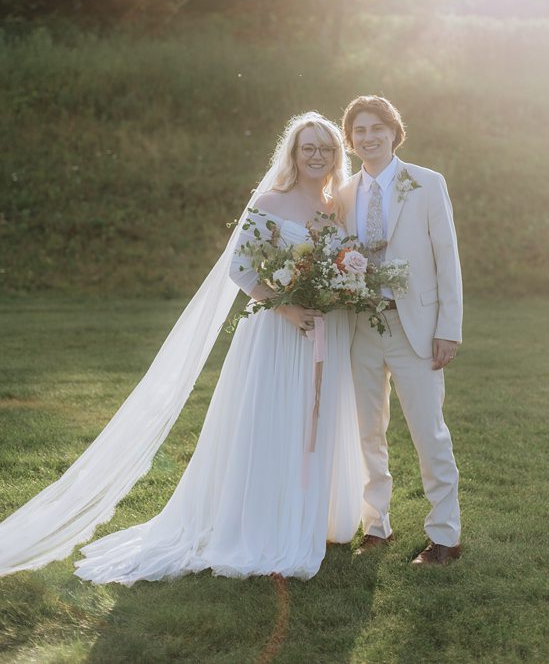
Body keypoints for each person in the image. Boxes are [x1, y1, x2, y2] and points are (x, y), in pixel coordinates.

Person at [0, 113, 362, 582]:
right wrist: (288, 309)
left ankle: (307, 518)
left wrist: (334, 293)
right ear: (293, 153)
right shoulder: (271, 201)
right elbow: (242, 270)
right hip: (276, 332)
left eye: (327, 149)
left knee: (313, 424)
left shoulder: (337, 208)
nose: (317, 156)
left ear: (338, 156)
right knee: (272, 422)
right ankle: (259, 524)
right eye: (308, 147)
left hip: (324, 333)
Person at [338, 96, 463, 566]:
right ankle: (377, 526)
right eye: (359, 131)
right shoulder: (344, 194)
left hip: (417, 327)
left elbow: (446, 259)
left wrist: (448, 328)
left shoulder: (427, 184)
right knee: (367, 431)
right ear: (349, 141)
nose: (368, 137)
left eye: (377, 128)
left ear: (394, 132)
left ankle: (445, 536)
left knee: (429, 432)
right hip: (361, 327)